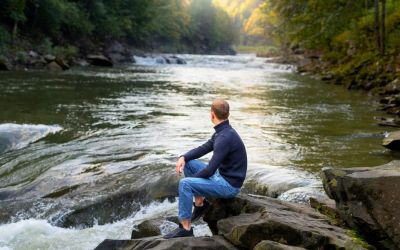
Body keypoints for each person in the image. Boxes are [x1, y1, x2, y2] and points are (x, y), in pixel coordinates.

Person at [164, 99, 247, 239]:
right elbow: (204, 148)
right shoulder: (223, 132)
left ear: (212, 115)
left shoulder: (224, 137)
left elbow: (209, 170)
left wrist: (191, 182)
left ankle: (186, 228)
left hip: (229, 186)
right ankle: (200, 204)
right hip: (222, 176)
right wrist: (183, 157)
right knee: (189, 163)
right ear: (228, 114)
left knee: (185, 184)